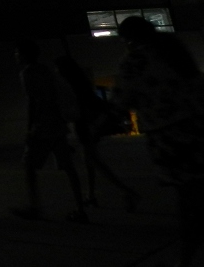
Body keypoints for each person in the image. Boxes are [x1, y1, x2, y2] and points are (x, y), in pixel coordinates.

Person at [112, 16, 204, 267]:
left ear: (128, 39)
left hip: (172, 145)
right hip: (203, 139)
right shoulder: (177, 56)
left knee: (202, 211)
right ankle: (188, 259)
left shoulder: (134, 62)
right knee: (193, 206)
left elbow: (120, 103)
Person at [12, 40, 87, 223]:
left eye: (17, 53)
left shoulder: (28, 73)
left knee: (29, 166)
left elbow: (33, 102)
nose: (15, 56)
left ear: (24, 54)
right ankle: (81, 208)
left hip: (42, 126)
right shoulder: (46, 70)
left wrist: (30, 128)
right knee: (69, 168)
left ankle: (34, 207)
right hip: (57, 124)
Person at [54, 54, 140, 211]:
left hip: (84, 125)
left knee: (94, 161)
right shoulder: (81, 83)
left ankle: (126, 191)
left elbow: (75, 107)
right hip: (89, 124)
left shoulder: (70, 85)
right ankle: (91, 195)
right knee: (89, 160)